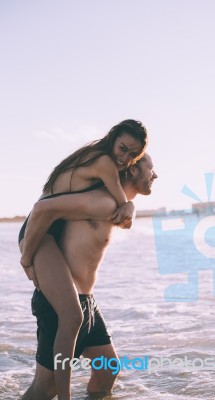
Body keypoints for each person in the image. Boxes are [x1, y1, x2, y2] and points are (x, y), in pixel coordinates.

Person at [19, 120, 148, 400]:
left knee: (108, 367)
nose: (125, 157)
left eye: (132, 154)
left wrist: (131, 207)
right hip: (38, 233)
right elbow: (43, 209)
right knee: (70, 321)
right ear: (113, 139)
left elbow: (123, 208)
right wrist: (26, 259)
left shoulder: (100, 171)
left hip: (75, 277)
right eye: (123, 149)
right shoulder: (104, 169)